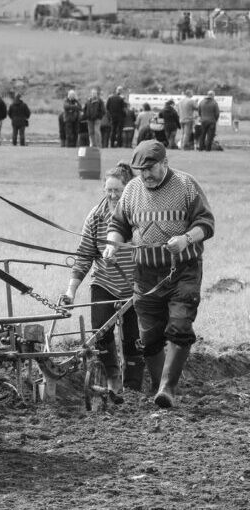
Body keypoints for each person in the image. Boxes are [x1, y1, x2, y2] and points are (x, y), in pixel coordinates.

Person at [103, 140, 215, 408]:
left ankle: (168, 389)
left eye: (150, 168)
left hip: (183, 270)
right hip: (146, 273)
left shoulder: (186, 186)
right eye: (140, 170)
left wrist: (187, 238)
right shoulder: (131, 190)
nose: (145, 175)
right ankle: (158, 388)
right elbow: (118, 223)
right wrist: (112, 242)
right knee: (149, 337)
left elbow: (206, 223)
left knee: (179, 325)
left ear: (165, 163)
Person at [62, 162, 143, 394]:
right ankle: (113, 378)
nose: (113, 195)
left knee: (134, 339)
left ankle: (134, 389)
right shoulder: (96, 216)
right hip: (105, 282)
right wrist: (71, 291)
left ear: (129, 190)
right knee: (100, 331)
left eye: (118, 190)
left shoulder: (139, 214)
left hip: (135, 285)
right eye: (109, 190)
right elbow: (84, 256)